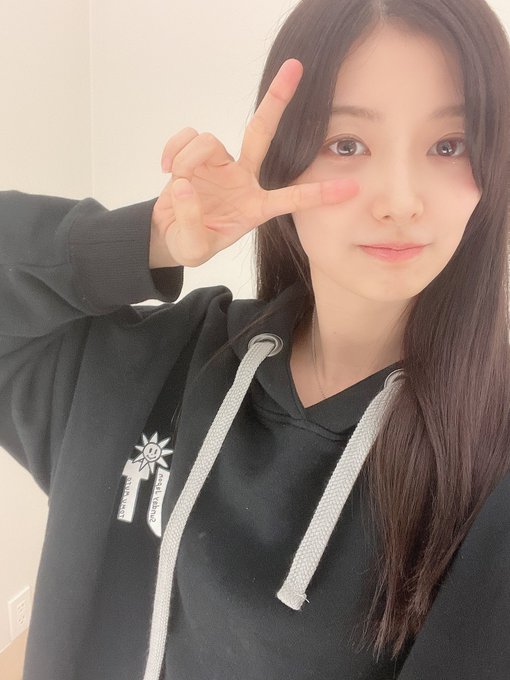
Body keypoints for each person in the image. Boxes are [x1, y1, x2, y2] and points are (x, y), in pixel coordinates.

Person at [1, 0, 510, 678]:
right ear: (282, 160)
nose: (400, 200)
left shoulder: (489, 449)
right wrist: (148, 239)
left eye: (449, 145)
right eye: (347, 144)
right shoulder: (156, 365)